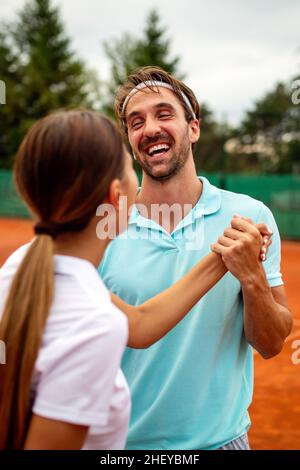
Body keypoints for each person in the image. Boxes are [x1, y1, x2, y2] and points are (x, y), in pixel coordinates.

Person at [0, 110, 269, 450]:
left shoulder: (20, 268)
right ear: (116, 196)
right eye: (129, 169)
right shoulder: (95, 325)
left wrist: (224, 256)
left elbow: (140, 325)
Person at [99, 66, 293, 450]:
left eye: (164, 114)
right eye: (135, 122)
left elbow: (271, 344)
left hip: (223, 442)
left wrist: (252, 277)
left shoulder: (250, 217)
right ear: (131, 143)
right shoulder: (105, 225)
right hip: (123, 448)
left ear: (193, 128)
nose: (149, 128)